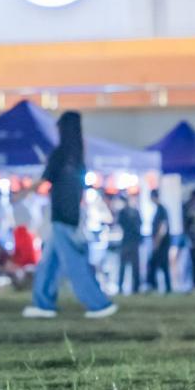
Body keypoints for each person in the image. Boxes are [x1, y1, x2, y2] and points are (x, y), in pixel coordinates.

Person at [23, 112, 117, 319]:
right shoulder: (78, 156)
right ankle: (43, 304)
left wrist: (22, 192)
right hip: (71, 215)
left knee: (75, 264)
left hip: (61, 217)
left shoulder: (60, 154)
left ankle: (99, 304)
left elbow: (44, 180)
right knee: (49, 263)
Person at [114, 194, 142, 296]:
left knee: (123, 266)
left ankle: (121, 287)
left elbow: (119, 224)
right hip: (134, 242)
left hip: (127, 242)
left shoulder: (122, 212)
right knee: (134, 266)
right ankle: (135, 288)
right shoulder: (135, 212)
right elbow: (139, 225)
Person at [146, 190, 172, 294]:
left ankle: (164, 287)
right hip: (160, 242)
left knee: (161, 264)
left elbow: (163, 228)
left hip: (162, 243)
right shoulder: (159, 209)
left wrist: (157, 241)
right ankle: (157, 286)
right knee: (156, 264)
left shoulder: (161, 210)